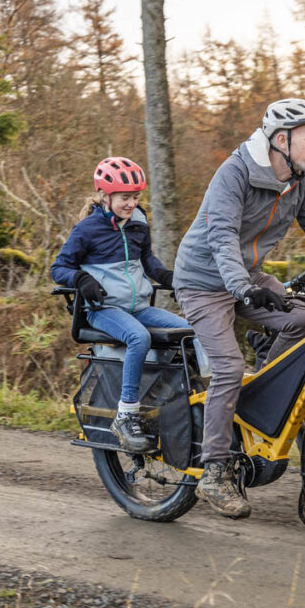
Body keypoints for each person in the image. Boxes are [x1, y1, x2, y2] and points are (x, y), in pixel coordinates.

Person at [173, 98, 305, 519]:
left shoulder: (299, 180)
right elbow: (222, 238)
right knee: (229, 367)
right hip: (203, 283)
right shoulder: (233, 174)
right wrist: (243, 289)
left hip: (247, 277)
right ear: (281, 140)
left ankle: (257, 399)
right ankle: (215, 470)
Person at [52, 157, 189, 454]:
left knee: (192, 332)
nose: (131, 203)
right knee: (138, 336)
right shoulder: (87, 229)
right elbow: (59, 267)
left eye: (136, 196)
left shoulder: (138, 222)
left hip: (138, 306)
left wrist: (166, 276)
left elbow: (147, 260)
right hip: (103, 310)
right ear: (105, 196)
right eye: (125, 197)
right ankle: (126, 415)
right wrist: (81, 279)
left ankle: (170, 398)